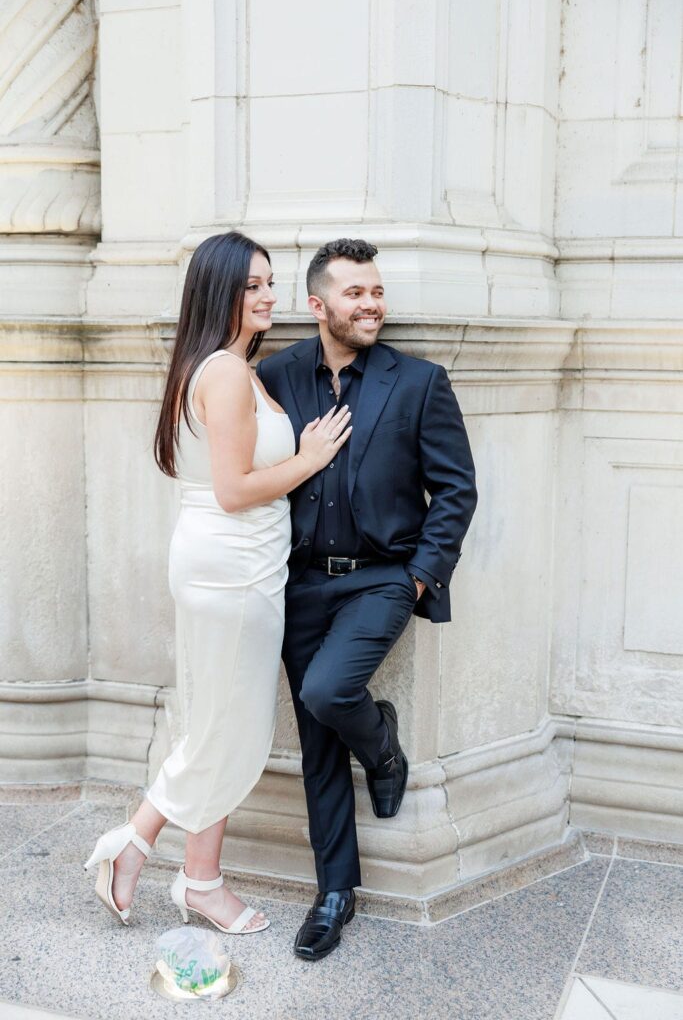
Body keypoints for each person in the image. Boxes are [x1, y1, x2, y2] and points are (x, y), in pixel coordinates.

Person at [84, 231, 351, 934]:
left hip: (231, 564)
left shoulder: (220, 365)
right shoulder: (227, 373)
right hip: (231, 567)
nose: (268, 296)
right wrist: (313, 455)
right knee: (224, 732)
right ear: (219, 292)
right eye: (252, 285)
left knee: (221, 725)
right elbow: (235, 490)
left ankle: (199, 878)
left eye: (270, 282)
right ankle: (134, 846)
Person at [257, 238, 477, 960]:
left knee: (328, 691)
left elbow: (454, 490)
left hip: (382, 575)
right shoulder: (274, 376)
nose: (372, 304)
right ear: (317, 305)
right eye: (356, 293)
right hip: (297, 580)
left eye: (376, 291)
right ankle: (334, 894)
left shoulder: (417, 382)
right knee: (318, 742)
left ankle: (382, 749)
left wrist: (418, 574)